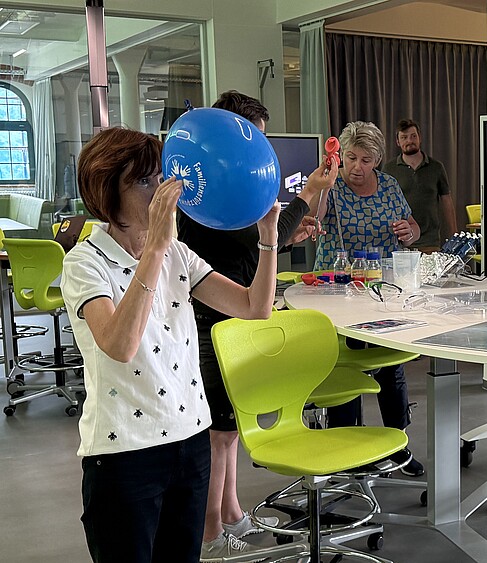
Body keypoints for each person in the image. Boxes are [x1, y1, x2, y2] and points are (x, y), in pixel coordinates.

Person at [63, 127, 281, 562]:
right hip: (123, 451)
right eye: (144, 181)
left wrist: (268, 236)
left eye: (161, 177)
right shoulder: (84, 263)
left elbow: (254, 307)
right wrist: (155, 250)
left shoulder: (178, 254)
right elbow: (120, 344)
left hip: (190, 437)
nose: (163, 191)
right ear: (107, 190)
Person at [175, 90, 337, 560]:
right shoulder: (213, 189)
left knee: (227, 433)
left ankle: (231, 513)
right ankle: (210, 535)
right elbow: (256, 238)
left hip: (229, 318)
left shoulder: (215, 188)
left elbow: (253, 244)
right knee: (217, 436)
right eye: (255, 138)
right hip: (215, 323)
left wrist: (287, 231)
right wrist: (308, 195)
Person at [313, 121, 424, 477]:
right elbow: (314, 220)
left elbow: (413, 227)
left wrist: (410, 233)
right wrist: (324, 183)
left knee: (391, 365)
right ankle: (346, 450)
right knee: (344, 365)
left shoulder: (389, 185)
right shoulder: (332, 185)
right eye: (350, 158)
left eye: (365, 160)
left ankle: (399, 445)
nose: (356, 167)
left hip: (382, 293)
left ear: (377, 159)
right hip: (337, 291)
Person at [381, 118, 457, 252]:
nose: (409, 141)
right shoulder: (389, 169)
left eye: (413, 136)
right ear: (398, 142)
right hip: (400, 243)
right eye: (404, 137)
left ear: (420, 138)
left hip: (430, 242)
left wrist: (454, 235)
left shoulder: (436, 167)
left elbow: (447, 201)